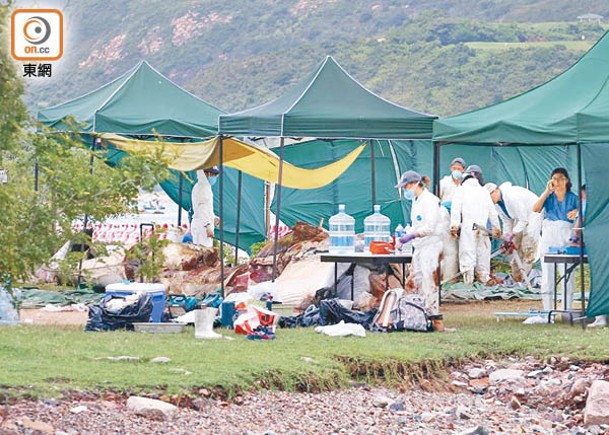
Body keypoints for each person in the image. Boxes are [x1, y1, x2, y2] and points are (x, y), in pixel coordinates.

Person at [396, 170, 444, 317]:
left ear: (414, 184)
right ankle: (419, 314)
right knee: (416, 279)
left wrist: (411, 235)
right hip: (420, 246)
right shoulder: (416, 201)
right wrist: (406, 234)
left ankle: (433, 316)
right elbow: (417, 224)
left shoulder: (430, 200)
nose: (405, 190)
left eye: (405, 187)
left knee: (429, 282)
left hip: (431, 246)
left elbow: (430, 227)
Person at [532, 167, 578, 311]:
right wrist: (547, 192)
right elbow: (535, 208)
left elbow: (583, 211)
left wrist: (576, 212)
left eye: (561, 178)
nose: (558, 182)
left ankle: (567, 310)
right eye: (555, 179)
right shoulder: (548, 198)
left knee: (567, 276)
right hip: (549, 236)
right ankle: (548, 311)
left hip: (566, 236)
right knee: (547, 276)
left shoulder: (573, 198)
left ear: (567, 181)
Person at [450, 165, 501, 284]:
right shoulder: (483, 191)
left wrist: (454, 225)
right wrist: (496, 228)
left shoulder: (461, 190)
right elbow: (492, 212)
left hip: (468, 227)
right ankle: (484, 279)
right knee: (483, 254)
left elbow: (455, 209)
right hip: (483, 228)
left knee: (468, 254)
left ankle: (468, 282)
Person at [484, 182, 542, 282]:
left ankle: (525, 279)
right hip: (519, 218)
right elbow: (506, 220)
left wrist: (512, 233)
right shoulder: (498, 205)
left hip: (533, 214)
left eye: (490, 196)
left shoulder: (512, 197)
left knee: (528, 246)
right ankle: (517, 278)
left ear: (496, 191)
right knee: (514, 246)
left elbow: (524, 219)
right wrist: (507, 237)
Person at [438, 158, 465, 283]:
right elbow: (437, 200)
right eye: (454, 168)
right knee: (449, 250)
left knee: (462, 250)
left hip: (462, 219)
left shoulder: (465, 184)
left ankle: (459, 277)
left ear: (463, 170)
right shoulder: (444, 183)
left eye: (459, 169)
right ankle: (448, 279)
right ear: (450, 169)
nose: (456, 171)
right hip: (445, 219)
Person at [191, 167, 219, 247]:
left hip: (202, 223)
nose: (214, 177)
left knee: (203, 251)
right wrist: (207, 225)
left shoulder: (204, 187)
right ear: (206, 173)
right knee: (203, 252)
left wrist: (213, 218)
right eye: (213, 174)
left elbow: (207, 208)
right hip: (202, 225)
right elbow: (201, 208)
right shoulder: (202, 187)